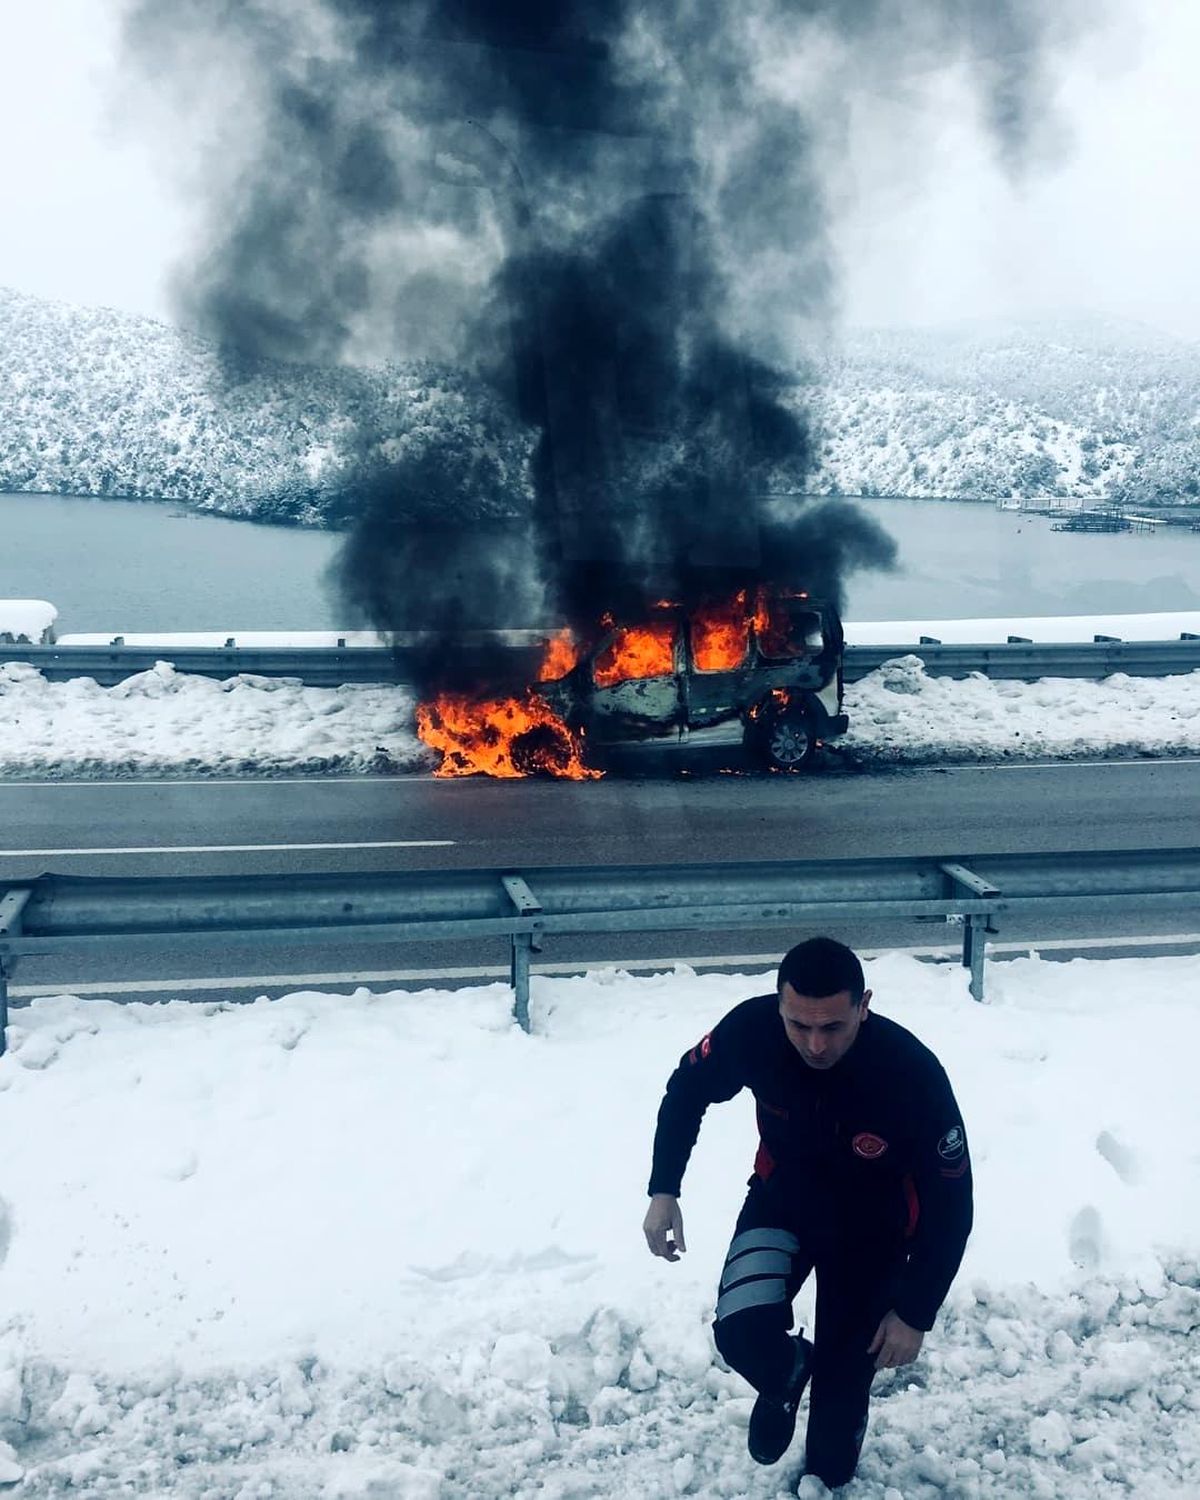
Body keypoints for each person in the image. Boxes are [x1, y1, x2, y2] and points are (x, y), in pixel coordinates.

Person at [642, 937, 973, 1491]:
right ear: (779, 1005)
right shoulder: (751, 1032)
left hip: (873, 1233)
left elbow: (953, 1202)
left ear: (863, 1005)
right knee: (741, 1333)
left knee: (831, 1466)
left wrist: (916, 1311)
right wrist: (663, 1189)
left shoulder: (912, 1073)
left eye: (832, 1027)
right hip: (783, 1203)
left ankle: (834, 1410)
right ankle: (786, 1374)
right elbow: (686, 1090)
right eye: (799, 1025)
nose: (815, 1044)